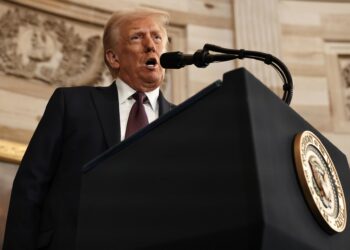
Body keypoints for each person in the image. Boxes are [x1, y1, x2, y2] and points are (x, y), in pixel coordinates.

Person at [3, 8, 174, 250]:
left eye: (157, 37)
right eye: (137, 37)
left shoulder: (184, 120)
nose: (150, 45)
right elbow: (30, 188)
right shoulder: (71, 104)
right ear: (113, 58)